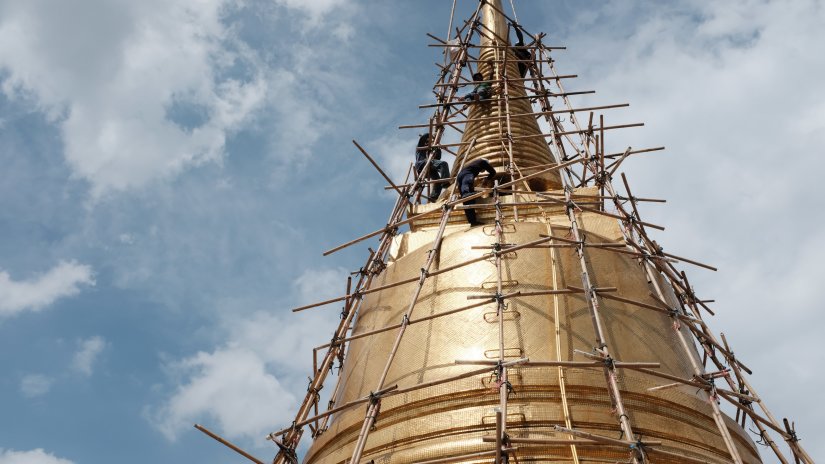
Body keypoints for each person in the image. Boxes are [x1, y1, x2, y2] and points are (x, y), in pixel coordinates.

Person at [457, 157, 496, 226]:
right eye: (484, 170)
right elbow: (493, 172)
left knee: (467, 201)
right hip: (467, 174)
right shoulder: (482, 162)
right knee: (468, 184)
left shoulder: (473, 166)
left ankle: (473, 221)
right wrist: (487, 179)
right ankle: (466, 193)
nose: (483, 171)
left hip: (459, 177)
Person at [415, 133, 450, 201]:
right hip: (422, 164)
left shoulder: (430, 152)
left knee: (438, 181)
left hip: (429, 166)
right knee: (443, 164)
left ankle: (433, 196)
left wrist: (438, 148)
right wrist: (432, 135)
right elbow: (423, 138)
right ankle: (445, 182)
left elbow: (437, 159)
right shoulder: (421, 147)